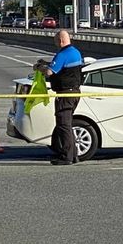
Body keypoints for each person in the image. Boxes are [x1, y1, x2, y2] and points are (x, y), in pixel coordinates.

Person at [34, 29, 83, 165]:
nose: (55, 44)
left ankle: (66, 156)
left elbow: (50, 72)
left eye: (55, 41)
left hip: (65, 94)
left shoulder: (62, 54)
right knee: (67, 124)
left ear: (60, 41)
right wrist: (47, 62)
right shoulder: (75, 52)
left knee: (63, 125)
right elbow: (62, 67)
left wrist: (39, 67)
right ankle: (73, 155)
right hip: (74, 92)